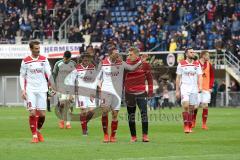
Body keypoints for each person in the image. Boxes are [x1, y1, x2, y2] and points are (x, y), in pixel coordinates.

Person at [99, 45, 143, 143]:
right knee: (105, 110)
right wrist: (98, 86)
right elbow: (98, 77)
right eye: (115, 53)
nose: (117, 55)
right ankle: (106, 135)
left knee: (115, 114)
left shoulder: (121, 63)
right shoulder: (103, 63)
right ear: (110, 54)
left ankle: (113, 136)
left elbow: (131, 68)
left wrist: (140, 62)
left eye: (118, 53)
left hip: (117, 91)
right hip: (105, 90)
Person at [20, 40, 52, 143]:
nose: (38, 50)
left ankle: (38, 131)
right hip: (30, 90)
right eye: (36, 49)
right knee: (32, 113)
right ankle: (34, 136)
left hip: (42, 89)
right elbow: (22, 76)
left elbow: (49, 74)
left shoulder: (44, 60)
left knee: (42, 114)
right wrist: (23, 90)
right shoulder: (25, 61)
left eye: (39, 48)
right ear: (31, 49)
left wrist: (53, 86)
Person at [124, 47, 153, 142]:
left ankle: (145, 135)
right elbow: (123, 78)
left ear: (136, 55)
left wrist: (150, 91)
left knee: (144, 114)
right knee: (131, 115)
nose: (129, 56)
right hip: (129, 93)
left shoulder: (145, 65)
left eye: (130, 54)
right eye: (128, 54)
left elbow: (149, 78)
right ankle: (133, 136)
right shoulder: (126, 64)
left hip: (141, 92)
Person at [67, 52, 99, 135]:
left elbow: (95, 80)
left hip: (90, 93)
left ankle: (84, 123)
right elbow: (71, 81)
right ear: (82, 60)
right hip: (80, 93)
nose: (86, 62)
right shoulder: (77, 69)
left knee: (92, 112)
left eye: (88, 60)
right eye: (84, 60)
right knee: (83, 111)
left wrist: (94, 91)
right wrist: (71, 94)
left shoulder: (92, 68)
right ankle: (84, 130)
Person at [176, 48, 202, 133]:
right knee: (186, 105)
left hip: (194, 88)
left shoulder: (197, 64)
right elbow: (178, 77)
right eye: (191, 52)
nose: (193, 53)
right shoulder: (181, 64)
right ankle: (186, 126)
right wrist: (177, 90)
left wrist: (200, 86)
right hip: (184, 87)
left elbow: (200, 76)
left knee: (192, 108)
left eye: (193, 52)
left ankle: (190, 126)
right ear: (186, 54)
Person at [52, 51, 76, 129]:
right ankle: (62, 120)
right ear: (63, 57)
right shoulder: (58, 64)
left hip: (71, 87)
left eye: (67, 59)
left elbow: (77, 76)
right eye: (65, 59)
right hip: (61, 87)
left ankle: (68, 123)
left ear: (70, 58)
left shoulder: (73, 64)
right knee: (62, 104)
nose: (66, 60)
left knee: (70, 105)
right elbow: (54, 75)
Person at [193, 51, 214, 130]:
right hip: (196, 88)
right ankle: (193, 121)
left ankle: (204, 124)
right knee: (195, 107)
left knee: (205, 105)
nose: (208, 57)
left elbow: (212, 76)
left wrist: (210, 87)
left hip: (206, 88)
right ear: (203, 56)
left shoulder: (209, 64)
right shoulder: (195, 64)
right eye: (207, 55)